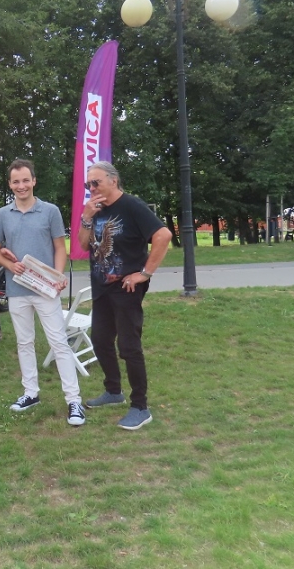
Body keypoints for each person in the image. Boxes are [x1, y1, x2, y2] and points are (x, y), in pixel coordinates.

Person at [0, 159, 86, 427]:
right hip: (17, 289)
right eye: (16, 181)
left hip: (46, 289)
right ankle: (30, 393)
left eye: (25, 180)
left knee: (59, 342)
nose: (21, 185)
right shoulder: (2, 215)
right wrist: (9, 265)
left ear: (33, 181)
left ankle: (74, 400)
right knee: (24, 343)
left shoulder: (50, 211)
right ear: (10, 184)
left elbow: (60, 247)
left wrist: (57, 276)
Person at [78, 161, 171, 430]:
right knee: (100, 341)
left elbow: (163, 235)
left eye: (96, 182)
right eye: (88, 184)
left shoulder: (132, 205)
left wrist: (145, 273)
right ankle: (113, 391)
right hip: (102, 287)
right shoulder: (95, 209)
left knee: (129, 346)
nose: (92, 188)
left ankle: (140, 407)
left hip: (126, 288)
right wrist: (86, 216)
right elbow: (83, 245)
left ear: (113, 180)